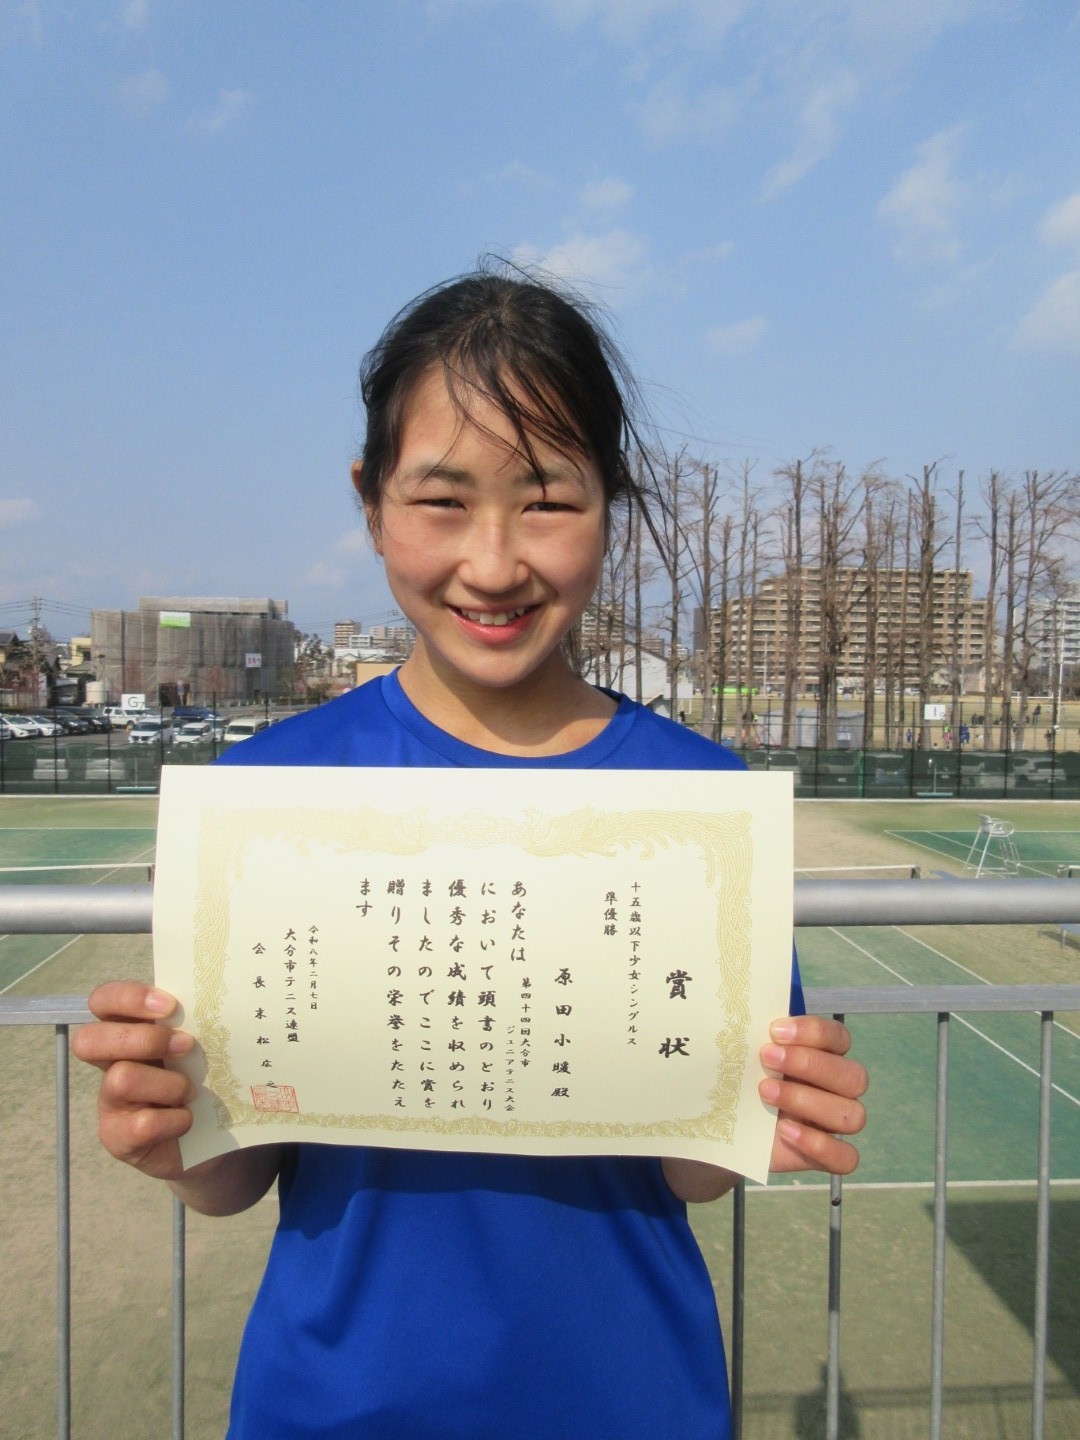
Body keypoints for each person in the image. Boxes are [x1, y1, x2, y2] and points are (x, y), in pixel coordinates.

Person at [74, 267, 867, 1439]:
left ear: (610, 502)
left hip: (627, 1403)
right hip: (333, 1406)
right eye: (441, 502)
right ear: (370, 500)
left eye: (547, 502)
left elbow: (692, 1172)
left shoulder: (701, 807)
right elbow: (237, 1176)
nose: (494, 565)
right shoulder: (264, 801)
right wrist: (165, 1130)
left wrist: (777, 1107)